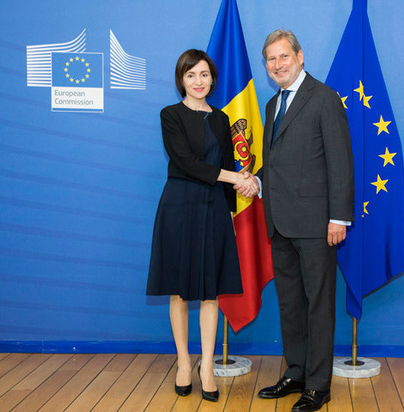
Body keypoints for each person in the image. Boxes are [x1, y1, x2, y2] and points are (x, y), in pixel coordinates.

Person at [146, 49, 259, 403]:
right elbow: (186, 162)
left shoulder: (222, 118)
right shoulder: (170, 115)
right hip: (179, 206)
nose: (199, 81)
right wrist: (237, 178)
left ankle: (206, 367)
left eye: (205, 74)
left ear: (213, 79)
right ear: (181, 79)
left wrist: (231, 207)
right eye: (191, 75)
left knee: (211, 291)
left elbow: (228, 163)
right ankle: (184, 363)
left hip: (214, 209)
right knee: (179, 291)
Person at [253, 29, 354, 412]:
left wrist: (338, 218)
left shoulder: (324, 98)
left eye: (284, 56)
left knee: (318, 305)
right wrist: (256, 182)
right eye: (271, 59)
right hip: (279, 222)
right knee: (290, 304)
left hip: (316, 225)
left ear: (300, 56)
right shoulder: (271, 105)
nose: (278, 64)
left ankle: (318, 385)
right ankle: (295, 372)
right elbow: (275, 164)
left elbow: (340, 162)